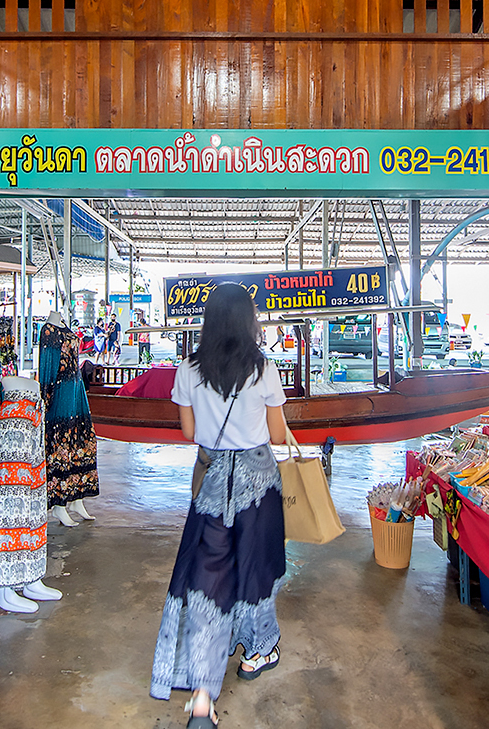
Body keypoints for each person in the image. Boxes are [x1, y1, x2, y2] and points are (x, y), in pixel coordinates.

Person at [151, 284, 288, 728]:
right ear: (248, 320)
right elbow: (279, 434)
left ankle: (203, 700)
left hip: (211, 487)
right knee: (257, 568)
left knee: (208, 582)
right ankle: (257, 651)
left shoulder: (188, 370)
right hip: (258, 485)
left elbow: (190, 432)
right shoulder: (264, 369)